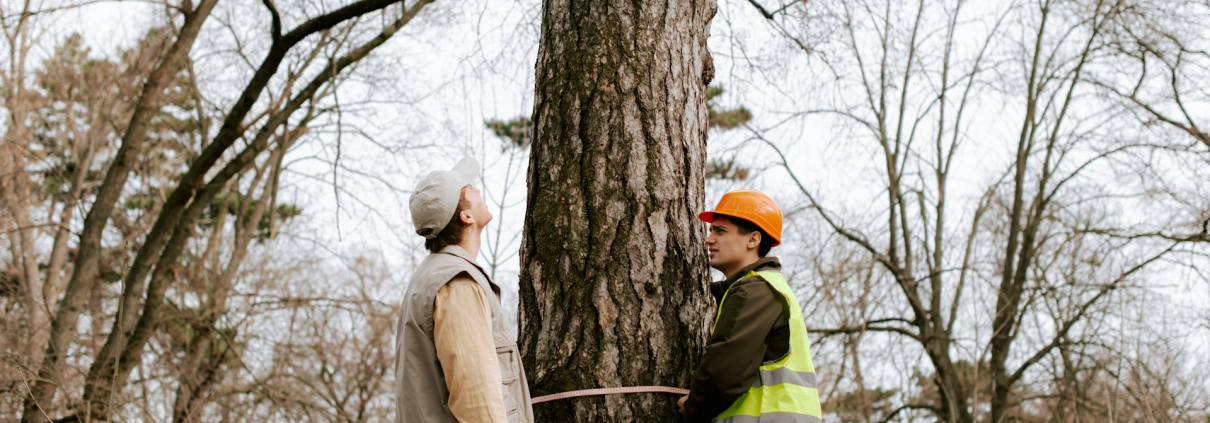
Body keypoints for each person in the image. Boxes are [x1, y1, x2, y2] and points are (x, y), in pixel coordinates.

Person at [395, 157, 533, 423]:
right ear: (466, 216)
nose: (478, 190)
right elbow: (477, 400)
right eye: (470, 189)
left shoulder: (433, 276)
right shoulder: (457, 284)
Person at [678, 189, 823, 423]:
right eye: (711, 230)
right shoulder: (765, 287)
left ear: (753, 239)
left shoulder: (754, 289)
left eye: (721, 231)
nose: (708, 239)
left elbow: (725, 374)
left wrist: (695, 408)